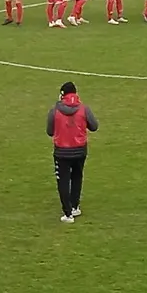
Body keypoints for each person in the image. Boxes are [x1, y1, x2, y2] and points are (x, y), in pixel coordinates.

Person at [46, 81, 99, 223]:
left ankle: (67, 213)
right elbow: (94, 126)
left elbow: (49, 132)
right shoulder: (83, 109)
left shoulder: (55, 110)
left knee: (62, 180)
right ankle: (75, 206)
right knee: (77, 176)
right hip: (80, 150)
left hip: (62, 151)